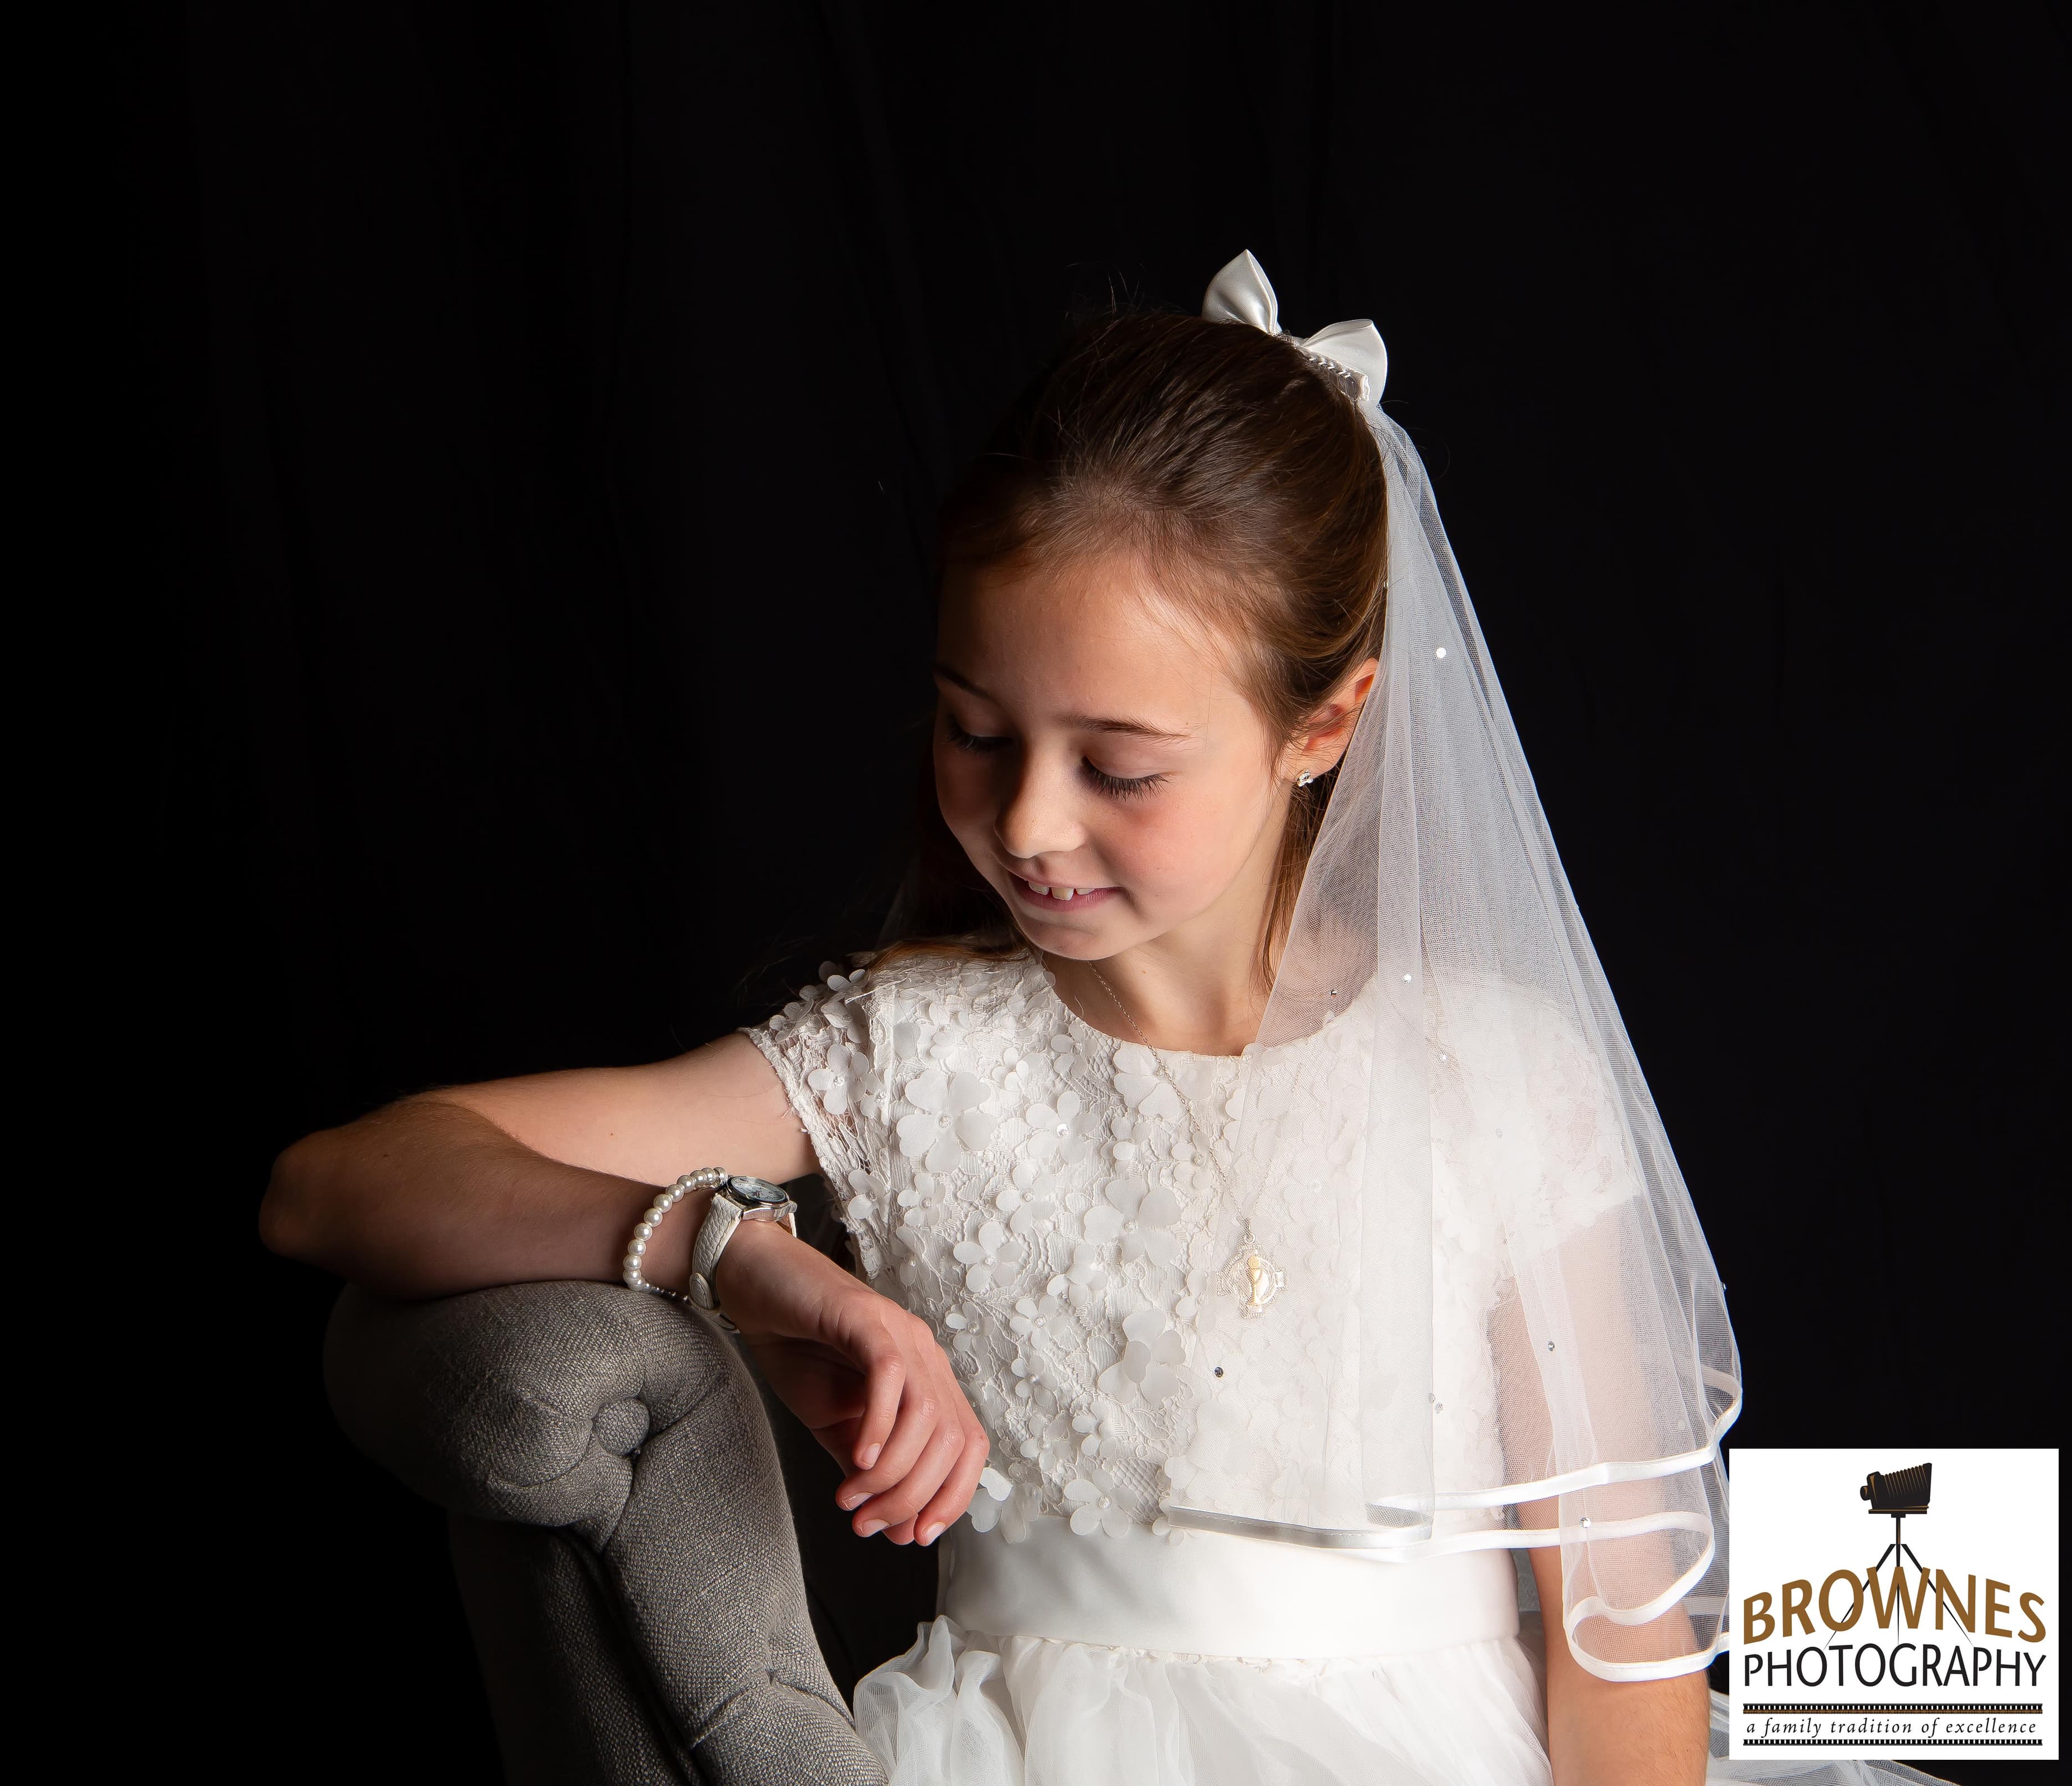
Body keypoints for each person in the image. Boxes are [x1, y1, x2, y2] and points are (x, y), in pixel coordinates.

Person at [264, 256, 1947, 1786]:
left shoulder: (1496, 1075)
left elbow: (1625, 1632)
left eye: (1120, 767)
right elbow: (333, 1187)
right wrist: (727, 1247)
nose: (1026, 821)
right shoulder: (907, 1052)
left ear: (1321, 728)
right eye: (974, 732)